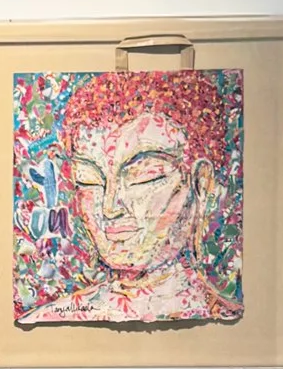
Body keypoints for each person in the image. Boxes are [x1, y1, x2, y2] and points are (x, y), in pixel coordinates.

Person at [19, 67, 241, 327]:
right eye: (88, 180)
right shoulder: (50, 320)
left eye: (144, 176)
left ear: (201, 184)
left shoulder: (231, 323)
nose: (110, 207)